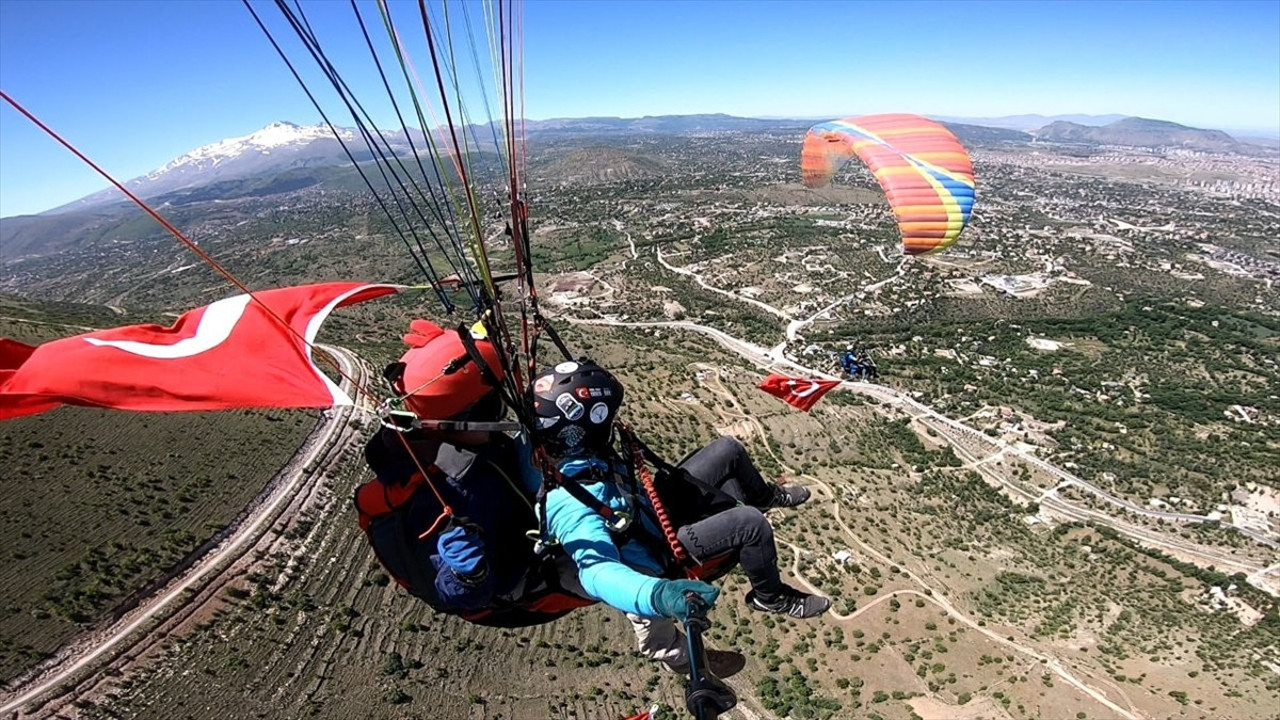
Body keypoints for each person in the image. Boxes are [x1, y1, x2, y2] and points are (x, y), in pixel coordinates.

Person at [529, 359, 831, 672]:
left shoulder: (580, 452)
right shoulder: (569, 500)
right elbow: (595, 571)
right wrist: (659, 594)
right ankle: (769, 596)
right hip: (655, 547)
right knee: (752, 523)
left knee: (727, 450)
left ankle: (764, 495)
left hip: (645, 509)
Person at [355, 320, 592, 627]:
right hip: (516, 589)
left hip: (515, 513)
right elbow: (455, 593)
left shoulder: (464, 447)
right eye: (493, 406)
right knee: (622, 559)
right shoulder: (444, 493)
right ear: (458, 421)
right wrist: (468, 574)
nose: (501, 413)